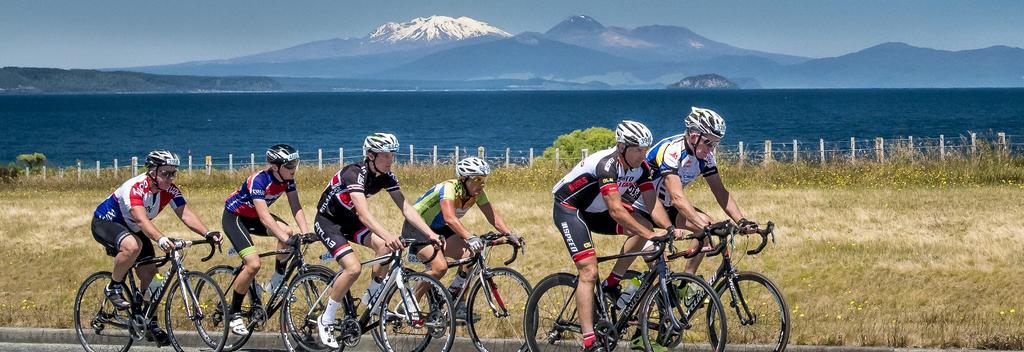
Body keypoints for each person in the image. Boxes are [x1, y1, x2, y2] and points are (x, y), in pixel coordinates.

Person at [312, 133, 442, 348]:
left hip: (349, 221)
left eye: (393, 156)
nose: (391, 161)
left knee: (384, 248)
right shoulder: (353, 174)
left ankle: (372, 293)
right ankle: (326, 318)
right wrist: (388, 235)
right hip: (328, 222)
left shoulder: (387, 176)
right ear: (371, 156)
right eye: (386, 156)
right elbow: (364, 214)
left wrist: (430, 234)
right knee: (352, 269)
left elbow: (406, 208)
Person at [550, 121, 670, 350]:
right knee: (588, 271)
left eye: (645, 149)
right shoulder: (607, 165)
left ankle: (612, 283)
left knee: (644, 224)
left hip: (597, 210)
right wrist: (650, 234)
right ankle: (589, 340)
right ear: (622, 146)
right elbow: (616, 211)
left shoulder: (641, 167)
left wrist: (668, 229)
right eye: (637, 149)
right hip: (570, 209)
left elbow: (651, 203)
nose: (642, 154)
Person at [91, 150, 221, 345]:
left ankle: (149, 322)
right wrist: (160, 239)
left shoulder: (170, 190)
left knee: (151, 275)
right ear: (152, 171)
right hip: (106, 222)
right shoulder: (135, 188)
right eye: (166, 173)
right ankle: (113, 286)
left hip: (133, 228)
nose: (170, 178)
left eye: (173, 173)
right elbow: (141, 220)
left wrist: (206, 233)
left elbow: (185, 214)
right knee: (133, 246)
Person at [403, 156, 520, 322]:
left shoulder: (477, 193)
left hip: (441, 228)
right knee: (439, 268)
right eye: (477, 179)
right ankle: (411, 301)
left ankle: (457, 303)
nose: (481, 184)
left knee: (470, 257)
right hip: (417, 227)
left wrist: (509, 234)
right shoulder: (449, 188)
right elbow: (450, 218)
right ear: (464, 179)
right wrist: (470, 237)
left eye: (484, 179)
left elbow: (492, 216)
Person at [222, 144, 311, 335]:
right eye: (289, 165)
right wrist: (286, 240)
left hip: (254, 218)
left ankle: (276, 283)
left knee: (289, 232)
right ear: (275, 167)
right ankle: (234, 314)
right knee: (253, 264)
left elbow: (296, 206)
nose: (294, 168)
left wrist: (305, 233)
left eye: (295, 163)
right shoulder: (259, 181)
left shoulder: (288, 179)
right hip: (235, 218)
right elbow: (265, 217)